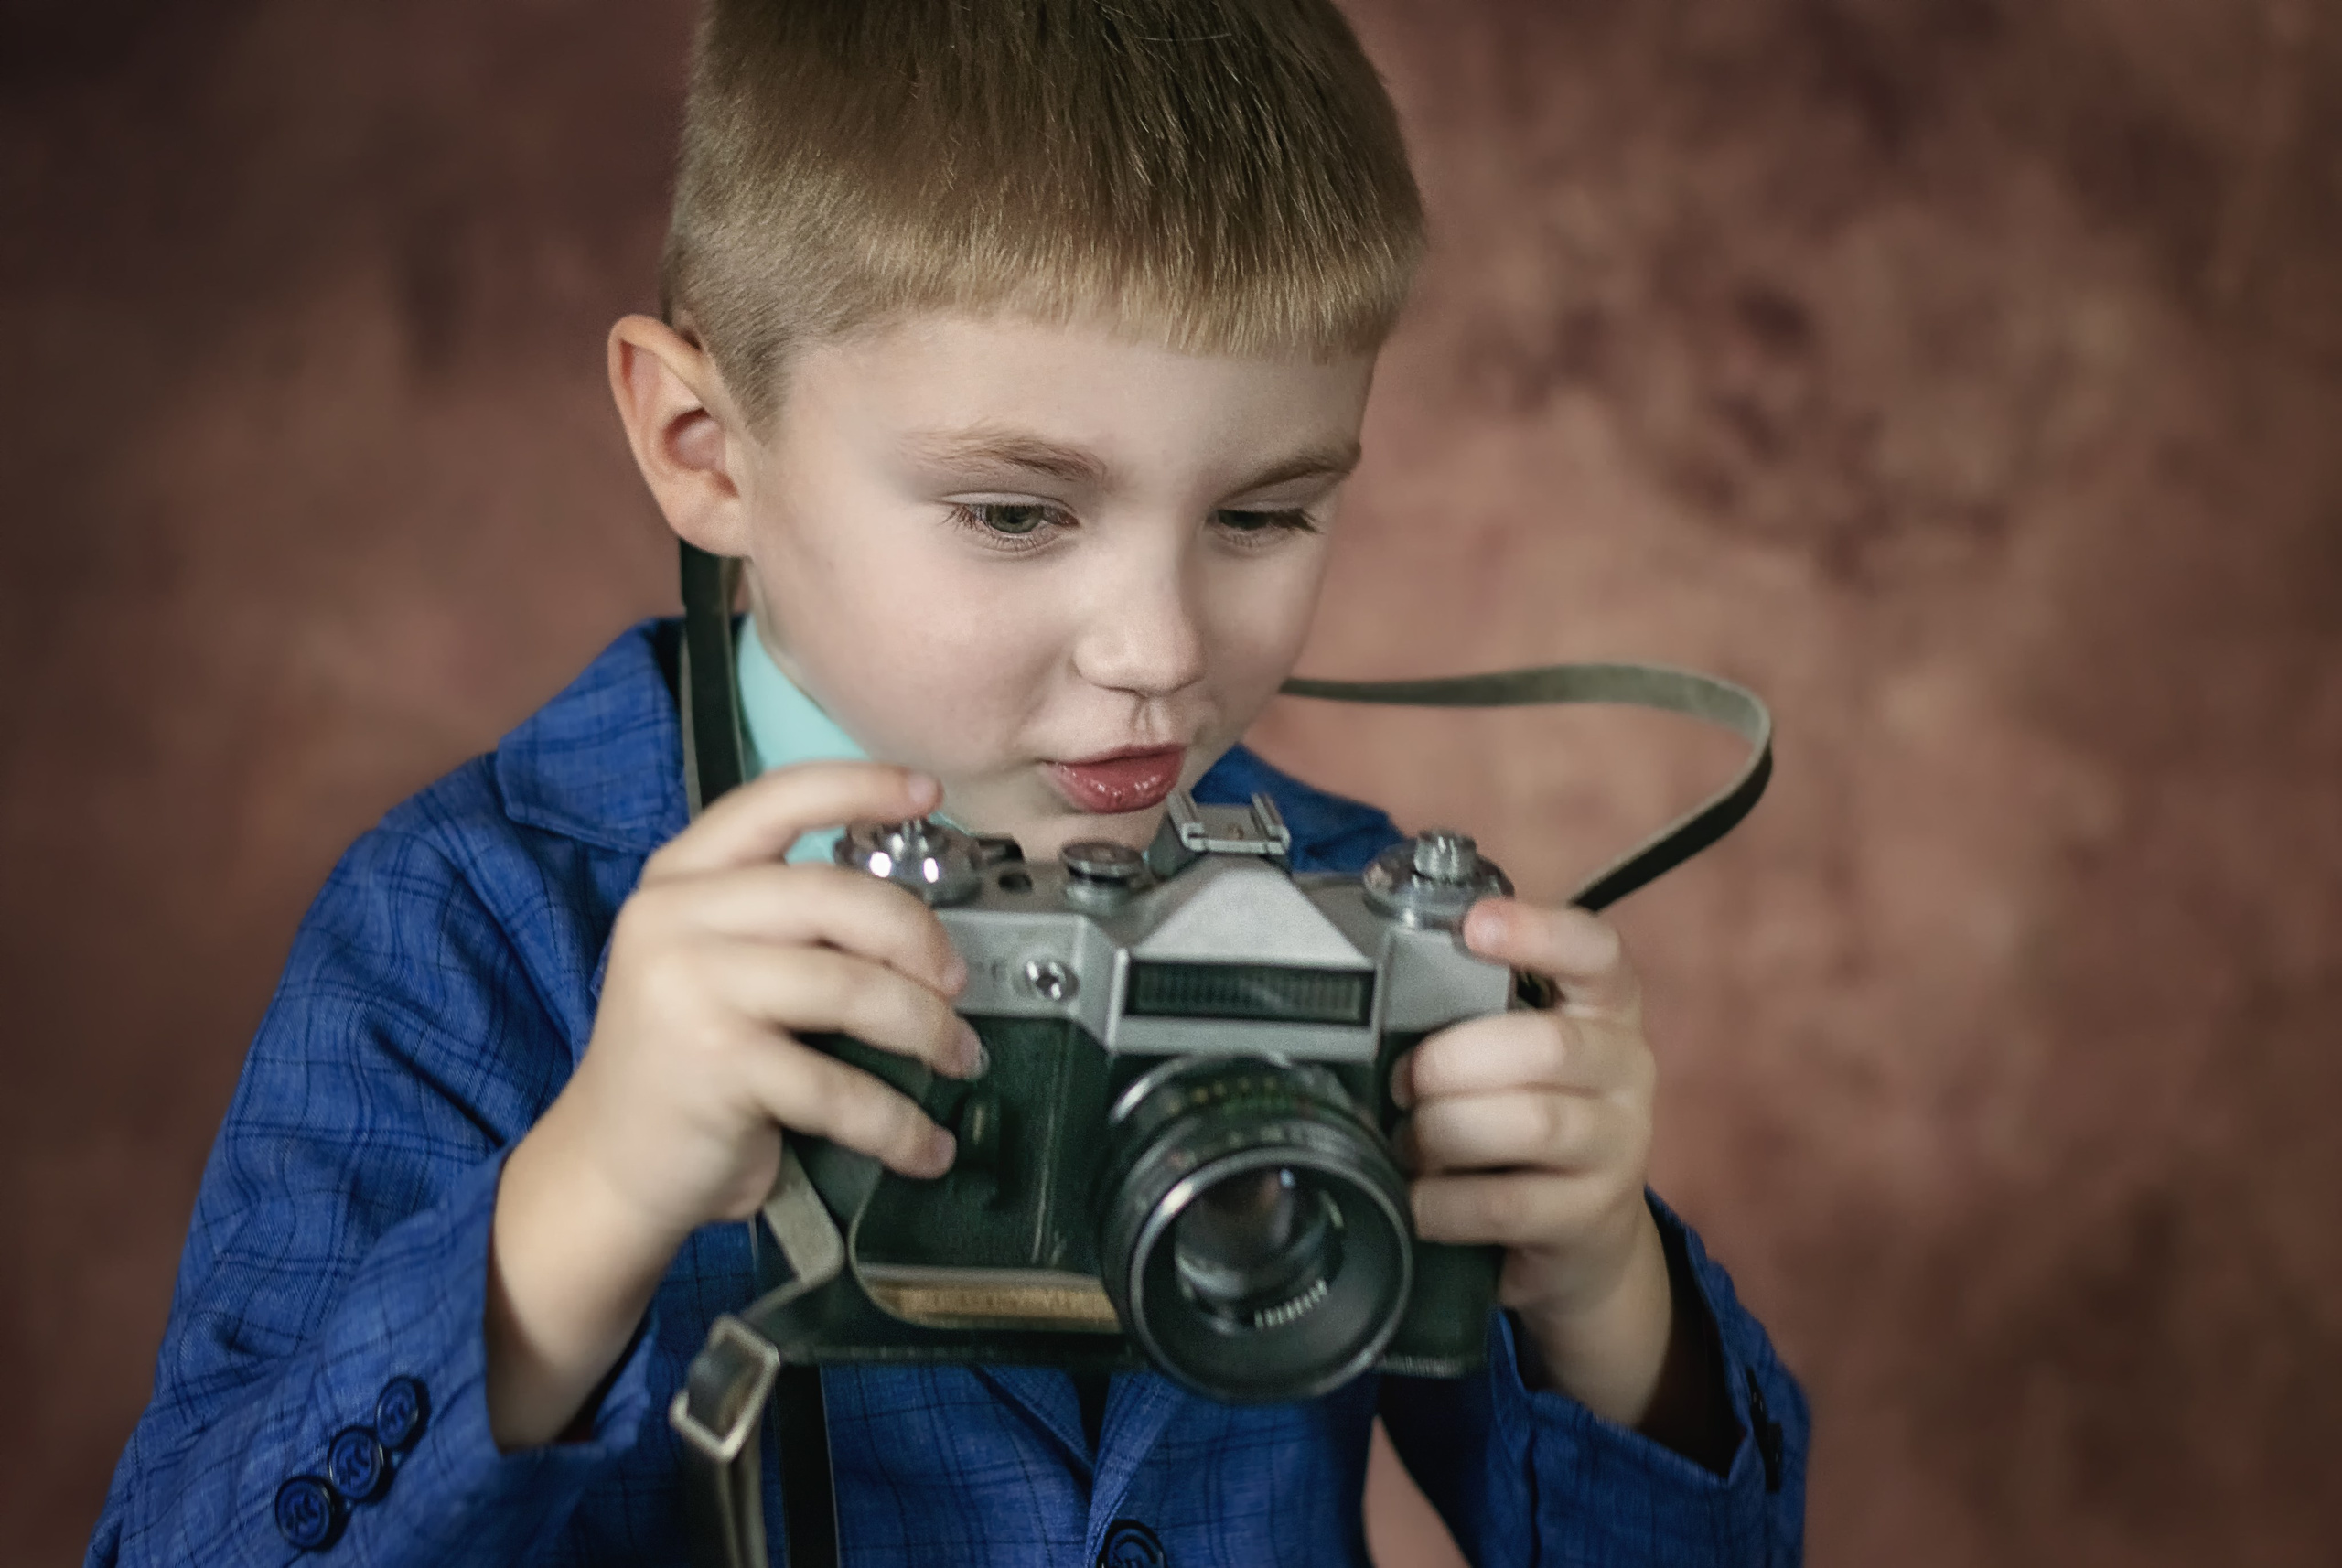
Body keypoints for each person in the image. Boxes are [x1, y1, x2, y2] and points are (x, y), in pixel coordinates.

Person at [90, 3, 1808, 1563]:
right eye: (1014, 512)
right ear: (706, 448)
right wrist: (584, 1202)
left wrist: (1606, 1305)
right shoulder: (475, 926)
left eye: (1265, 513)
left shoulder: (1354, 922)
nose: (1156, 643)